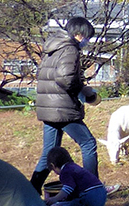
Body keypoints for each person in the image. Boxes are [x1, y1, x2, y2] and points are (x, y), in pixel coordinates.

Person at [30, 15, 99, 192]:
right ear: (78, 34)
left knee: (49, 152)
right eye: (87, 37)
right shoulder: (70, 49)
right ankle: (92, 186)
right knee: (88, 143)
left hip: (47, 107)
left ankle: (32, 189)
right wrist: (84, 92)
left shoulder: (52, 48)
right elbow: (65, 78)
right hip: (62, 108)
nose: (87, 41)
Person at [43, 146, 107, 206]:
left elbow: (68, 188)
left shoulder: (65, 172)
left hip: (90, 195)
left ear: (53, 165)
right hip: (101, 192)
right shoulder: (74, 167)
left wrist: (55, 199)